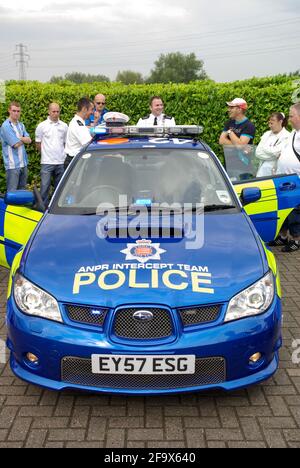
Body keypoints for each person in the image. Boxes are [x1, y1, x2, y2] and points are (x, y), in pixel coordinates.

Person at [271, 103, 300, 252]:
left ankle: (296, 240)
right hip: (284, 181)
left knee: (294, 213)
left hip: (296, 183)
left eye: (291, 116)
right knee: (284, 210)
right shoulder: (294, 133)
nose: (289, 119)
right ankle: (282, 237)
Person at [35, 103, 68, 206]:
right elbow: (38, 143)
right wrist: (45, 154)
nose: (56, 114)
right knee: (44, 188)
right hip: (47, 162)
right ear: (49, 111)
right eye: (53, 111)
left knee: (59, 189)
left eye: (58, 111)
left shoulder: (64, 126)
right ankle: (41, 209)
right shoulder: (41, 126)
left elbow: (66, 143)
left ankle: (55, 208)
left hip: (60, 162)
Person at [0, 101, 32, 192]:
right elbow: (15, 144)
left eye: (18, 111)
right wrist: (23, 139)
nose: (16, 113)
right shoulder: (6, 126)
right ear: (9, 110)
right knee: (12, 193)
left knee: (21, 192)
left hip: (23, 164)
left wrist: (18, 138)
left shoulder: (21, 125)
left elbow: (29, 140)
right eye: (14, 111)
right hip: (12, 165)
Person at [256, 113, 290, 177]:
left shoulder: (287, 136)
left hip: (276, 174)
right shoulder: (266, 134)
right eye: (269, 123)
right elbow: (258, 152)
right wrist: (274, 154)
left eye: (272, 123)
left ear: (280, 122)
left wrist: (264, 147)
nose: (269, 126)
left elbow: (277, 152)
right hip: (261, 173)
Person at [64, 98, 94, 169]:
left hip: (74, 160)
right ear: (84, 109)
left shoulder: (78, 122)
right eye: (91, 109)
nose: (92, 112)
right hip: (75, 161)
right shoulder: (78, 124)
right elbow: (89, 143)